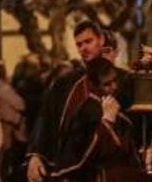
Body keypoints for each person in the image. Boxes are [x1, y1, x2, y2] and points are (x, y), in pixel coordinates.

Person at [26, 21, 106, 182]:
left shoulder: (121, 79)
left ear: (101, 40)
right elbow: (46, 118)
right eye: (79, 44)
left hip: (106, 168)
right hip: (71, 170)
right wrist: (36, 155)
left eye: (88, 41)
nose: (84, 48)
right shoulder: (65, 83)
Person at [51, 57, 144, 181]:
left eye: (115, 80)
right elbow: (81, 153)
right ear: (93, 85)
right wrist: (106, 122)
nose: (114, 87)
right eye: (107, 84)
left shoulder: (117, 100)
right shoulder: (86, 111)